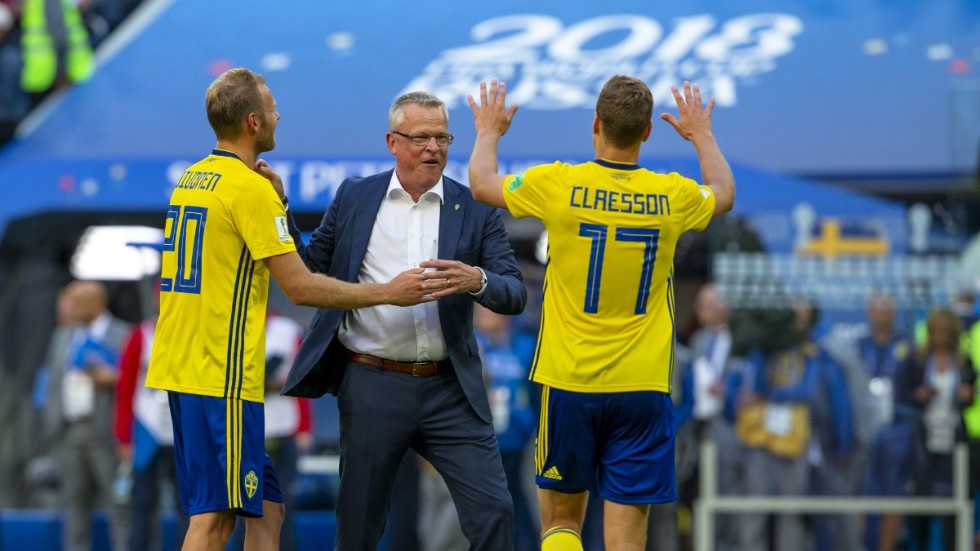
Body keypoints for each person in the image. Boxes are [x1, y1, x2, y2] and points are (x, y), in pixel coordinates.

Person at [144, 68, 439, 551]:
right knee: (215, 521)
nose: (281, 114)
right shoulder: (248, 189)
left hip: (183, 366)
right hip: (220, 377)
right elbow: (300, 287)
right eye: (274, 106)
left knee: (269, 509)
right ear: (255, 122)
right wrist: (389, 291)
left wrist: (277, 204)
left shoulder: (194, 179)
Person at [467, 76, 735, 550]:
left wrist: (489, 130)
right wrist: (701, 135)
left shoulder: (559, 183)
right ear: (648, 132)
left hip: (569, 379)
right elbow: (723, 191)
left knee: (561, 524)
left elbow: (481, 184)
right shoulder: (670, 195)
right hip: (642, 385)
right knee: (628, 538)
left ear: (596, 123)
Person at [280, 90, 527, 550]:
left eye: (442, 137)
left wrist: (477, 279)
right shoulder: (355, 196)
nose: (434, 148)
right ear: (392, 141)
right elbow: (312, 267)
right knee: (358, 526)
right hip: (372, 382)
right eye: (421, 138)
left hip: (450, 387)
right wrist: (280, 210)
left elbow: (514, 293)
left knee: (496, 510)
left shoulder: (473, 204)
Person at [41, 280, 132, 551]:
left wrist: (114, 378)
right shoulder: (64, 335)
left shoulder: (123, 335)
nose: (71, 308)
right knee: (74, 508)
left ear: (97, 303)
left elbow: (139, 383)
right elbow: (53, 383)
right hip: (69, 433)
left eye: (78, 302)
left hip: (106, 433)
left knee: (119, 505)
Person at [113, 278, 188, 550]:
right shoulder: (140, 335)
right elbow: (125, 387)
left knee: (187, 503)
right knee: (142, 501)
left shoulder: (193, 334)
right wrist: (124, 437)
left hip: (182, 429)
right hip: (147, 429)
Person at [895, 307, 975, 551]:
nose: (940, 335)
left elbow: (971, 397)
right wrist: (919, 396)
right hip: (922, 441)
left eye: (945, 330)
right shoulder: (915, 361)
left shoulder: (964, 362)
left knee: (955, 505)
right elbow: (902, 398)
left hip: (954, 441)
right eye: (936, 330)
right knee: (920, 507)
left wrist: (966, 396)